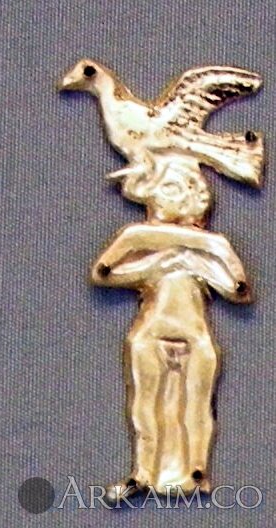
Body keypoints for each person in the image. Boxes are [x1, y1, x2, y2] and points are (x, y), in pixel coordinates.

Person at [92, 158, 251, 501]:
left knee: (197, 408)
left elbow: (239, 291)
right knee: (144, 407)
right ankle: (141, 473)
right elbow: (103, 273)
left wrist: (202, 260)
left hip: (196, 337)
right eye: (168, 187)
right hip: (151, 334)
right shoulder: (138, 236)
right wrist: (160, 263)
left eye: (183, 189)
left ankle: (197, 471)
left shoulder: (213, 244)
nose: (174, 197)